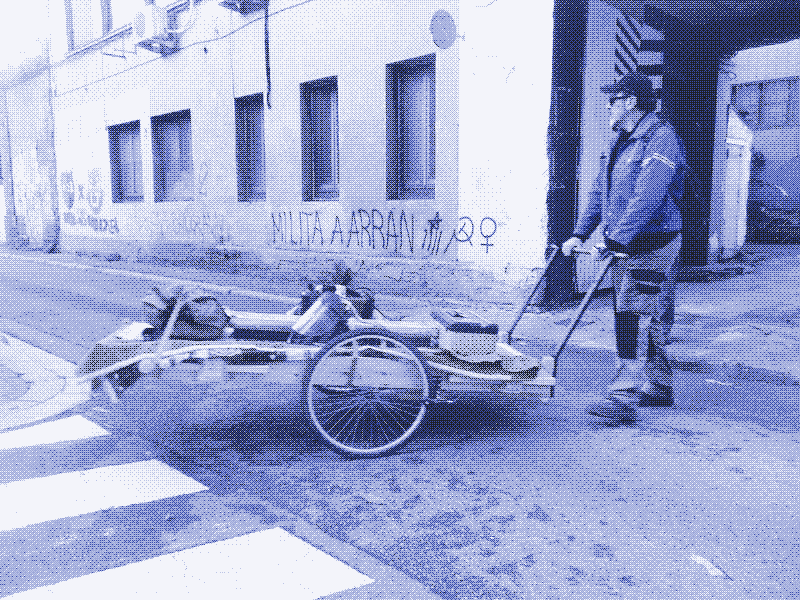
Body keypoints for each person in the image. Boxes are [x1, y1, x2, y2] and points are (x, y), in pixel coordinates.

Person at [561, 73, 685, 423]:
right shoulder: (620, 141)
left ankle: (623, 399)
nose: (608, 106)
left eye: (613, 100)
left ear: (630, 101)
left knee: (633, 315)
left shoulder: (660, 139)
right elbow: (601, 193)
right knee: (651, 312)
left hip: (652, 244)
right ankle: (659, 387)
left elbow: (649, 196)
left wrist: (616, 238)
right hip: (629, 245)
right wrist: (579, 234)